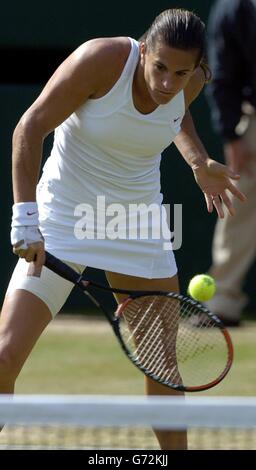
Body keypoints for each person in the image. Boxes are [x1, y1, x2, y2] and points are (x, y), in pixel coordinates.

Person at [0, 8, 245, 450]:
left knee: (162, 369)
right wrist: (26, 218)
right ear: (144, 49)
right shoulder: (100, 60)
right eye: (160, 68)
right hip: (62, 217)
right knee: (4, 356)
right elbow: (28, 128)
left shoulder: (192, 80)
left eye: (181, 72)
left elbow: (177, 116)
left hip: (136, 225)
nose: (169, 82)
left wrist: (197, 162)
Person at [205, 0, 256, 326]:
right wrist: (232, 136)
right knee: (238, 207)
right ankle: (222, 301)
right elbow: (222, 72)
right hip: (253, 121)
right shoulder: (233, 8)